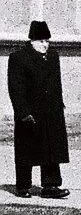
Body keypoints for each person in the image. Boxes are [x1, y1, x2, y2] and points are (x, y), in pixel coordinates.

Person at [7, 20, 70, 199]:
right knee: (26, 148)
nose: (45, 45)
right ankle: (23, 186)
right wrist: (23, 111)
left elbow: (56, 84)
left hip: (51, 111)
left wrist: (59, 106)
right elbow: (15, 87)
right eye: (41, 41)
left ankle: (50, 186)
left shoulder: (53, 57)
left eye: (47, 41)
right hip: (30, 111)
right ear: (32, 41)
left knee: (51, 148)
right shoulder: (18, 57)